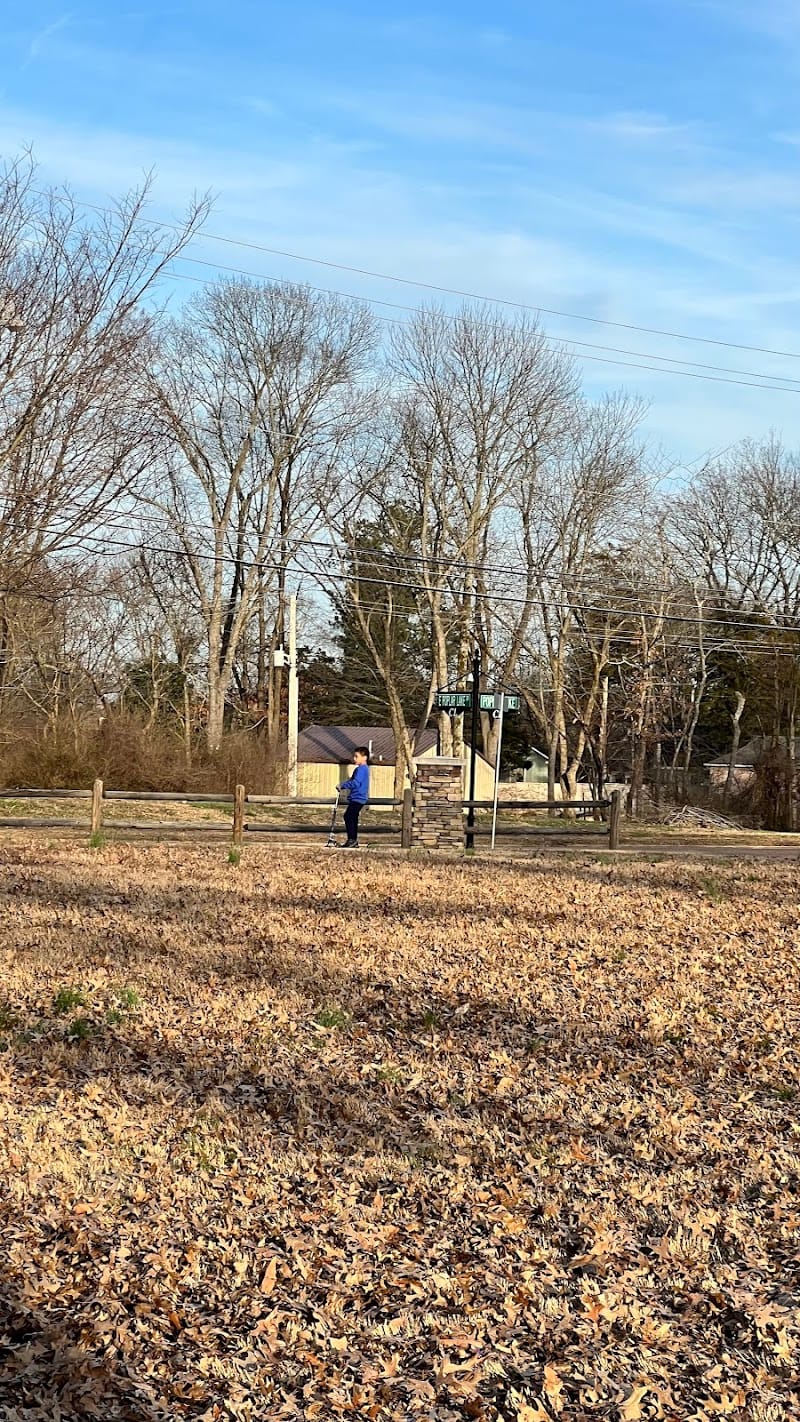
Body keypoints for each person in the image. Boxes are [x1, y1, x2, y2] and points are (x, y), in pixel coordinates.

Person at [337, 746, 370, 848]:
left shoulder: (361, 769)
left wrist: (342, 786)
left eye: (356, 756)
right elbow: (352, 780)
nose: (354, 758)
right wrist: (343, 784)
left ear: (364, 757)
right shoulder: (362, 769)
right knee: (352, 817)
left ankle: (352, 839)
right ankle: (353, 840)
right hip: (357, 797)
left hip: (358, 798)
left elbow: (355, 783)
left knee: (348, 816)